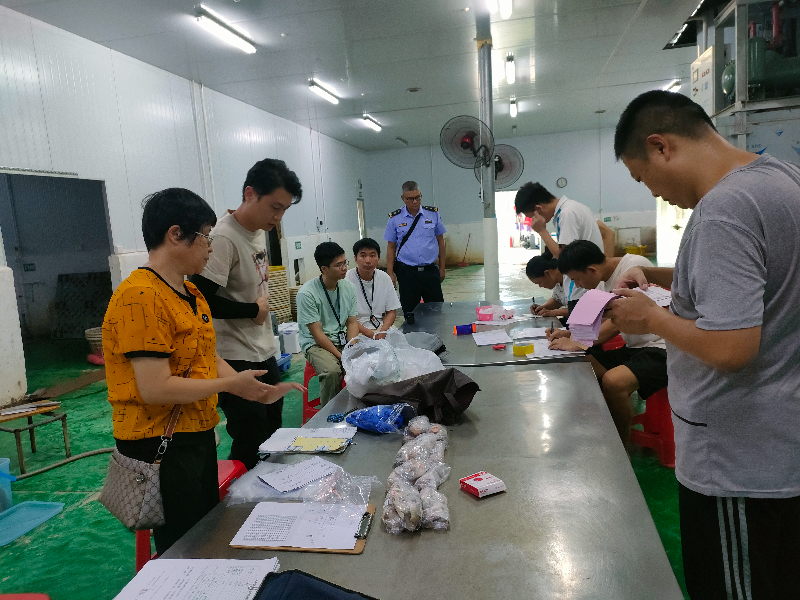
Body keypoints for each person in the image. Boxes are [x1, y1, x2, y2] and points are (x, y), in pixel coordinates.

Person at [606, 90, 800, 599]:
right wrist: (656, 275)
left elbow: (732, 348)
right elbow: (755, 278)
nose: (655, 191)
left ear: (661, 146)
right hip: (781, 443)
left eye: (643, 177)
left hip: (738, 462)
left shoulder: (723, 210)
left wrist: (651, 317)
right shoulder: (782, 178)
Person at [102, 188, 303, 553]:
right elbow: (155, 388)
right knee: (183, 542)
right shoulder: (140, 296)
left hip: (195, 432)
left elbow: (205, 357)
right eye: (207, 236)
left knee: (203, 529)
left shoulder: (191, 294)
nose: (211, 247)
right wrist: (228, 384)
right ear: (175, 234)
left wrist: (252, 389)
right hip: (158, 441)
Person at [192, 158, 302, 470]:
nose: (278, 217)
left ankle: (270, 491)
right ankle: (242, 497)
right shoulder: (224, 238)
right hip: (235, 356)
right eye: (274, 207)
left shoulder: (258, 230)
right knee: (250, 439)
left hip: (263, 349)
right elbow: (201, 299)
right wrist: (252, 310)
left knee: (273, 431)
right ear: (250, 193)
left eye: (284, 210)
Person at [548, 240, 668, 447]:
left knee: (614, 382)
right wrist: (569, 333)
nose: (578, 285)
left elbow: (620, 321)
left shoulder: (633, 268)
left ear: (591, 270)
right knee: (583, 365)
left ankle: (621, 448)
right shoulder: (604, 279)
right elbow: (604, 318)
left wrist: (578, 342)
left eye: (577, 279)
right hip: (635, 347)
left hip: (661, 347)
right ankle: (601, 425)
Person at [515, 182, 604, 310]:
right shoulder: (574, 208)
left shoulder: (567, 214)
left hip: (581, 290)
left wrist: (542, 231)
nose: (532, 221)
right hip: (585, 287)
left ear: (538, 209)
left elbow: (565, 258)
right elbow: (608, 233)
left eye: (531, 217)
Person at [297, 242, 360, 406]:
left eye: (345, 263)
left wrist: (351, 349)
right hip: (316, 344)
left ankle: (356, 410)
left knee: (366, 364)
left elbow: (352, 322)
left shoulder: (348, 287)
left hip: (342, 339)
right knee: (332, 372)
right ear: (324, 269)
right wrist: (342, 357)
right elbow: (317, 334)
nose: (344, 268)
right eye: (339, 265)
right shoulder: (307, 294)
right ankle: (328, 415)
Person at [384, 181, 446, 315]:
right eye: (410, 198)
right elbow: (391, 247)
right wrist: (390, 273)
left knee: (436, 311)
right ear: (403, 198)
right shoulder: (395, 218)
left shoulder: (433, 214)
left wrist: (442, 268)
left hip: (430, 272)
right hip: (407, 273)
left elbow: (440, 241)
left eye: (418, 197)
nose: (415, 201)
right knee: (410, 312)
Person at [345, 238, 402, 339]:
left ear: (378, 258)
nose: (368, 261)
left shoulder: (384, 277)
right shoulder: (346, 279)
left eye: (372, 255)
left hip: (381, 327)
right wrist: (370, 334)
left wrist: (383, 331)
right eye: (363, 256)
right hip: (356, 328)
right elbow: (346, 318)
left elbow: (391, 312)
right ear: (355, 258)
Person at [525, 251, 568, 318]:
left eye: (539, 283)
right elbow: (557, 301)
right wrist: (542, 307)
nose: (540, 286)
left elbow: (579, 309)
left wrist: (554, 312)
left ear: (547, 274)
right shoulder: (557, 281)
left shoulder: (573, 279)